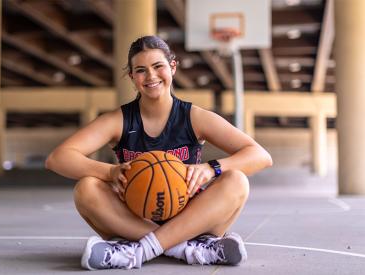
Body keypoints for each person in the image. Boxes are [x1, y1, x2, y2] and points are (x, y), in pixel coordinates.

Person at [45, 35, 272, 270]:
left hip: (193, 218)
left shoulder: (194, 117)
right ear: (132, 77)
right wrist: (111, 171)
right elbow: (58, 158)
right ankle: (187, 250)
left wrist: (211, 168)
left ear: (172, 68)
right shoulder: (119, 120)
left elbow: (261, 156)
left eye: (158, 66)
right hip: (135, 219)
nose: (151, 76)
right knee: (86, 188)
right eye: (141, 70)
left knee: (237, 181)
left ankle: (137, 251)